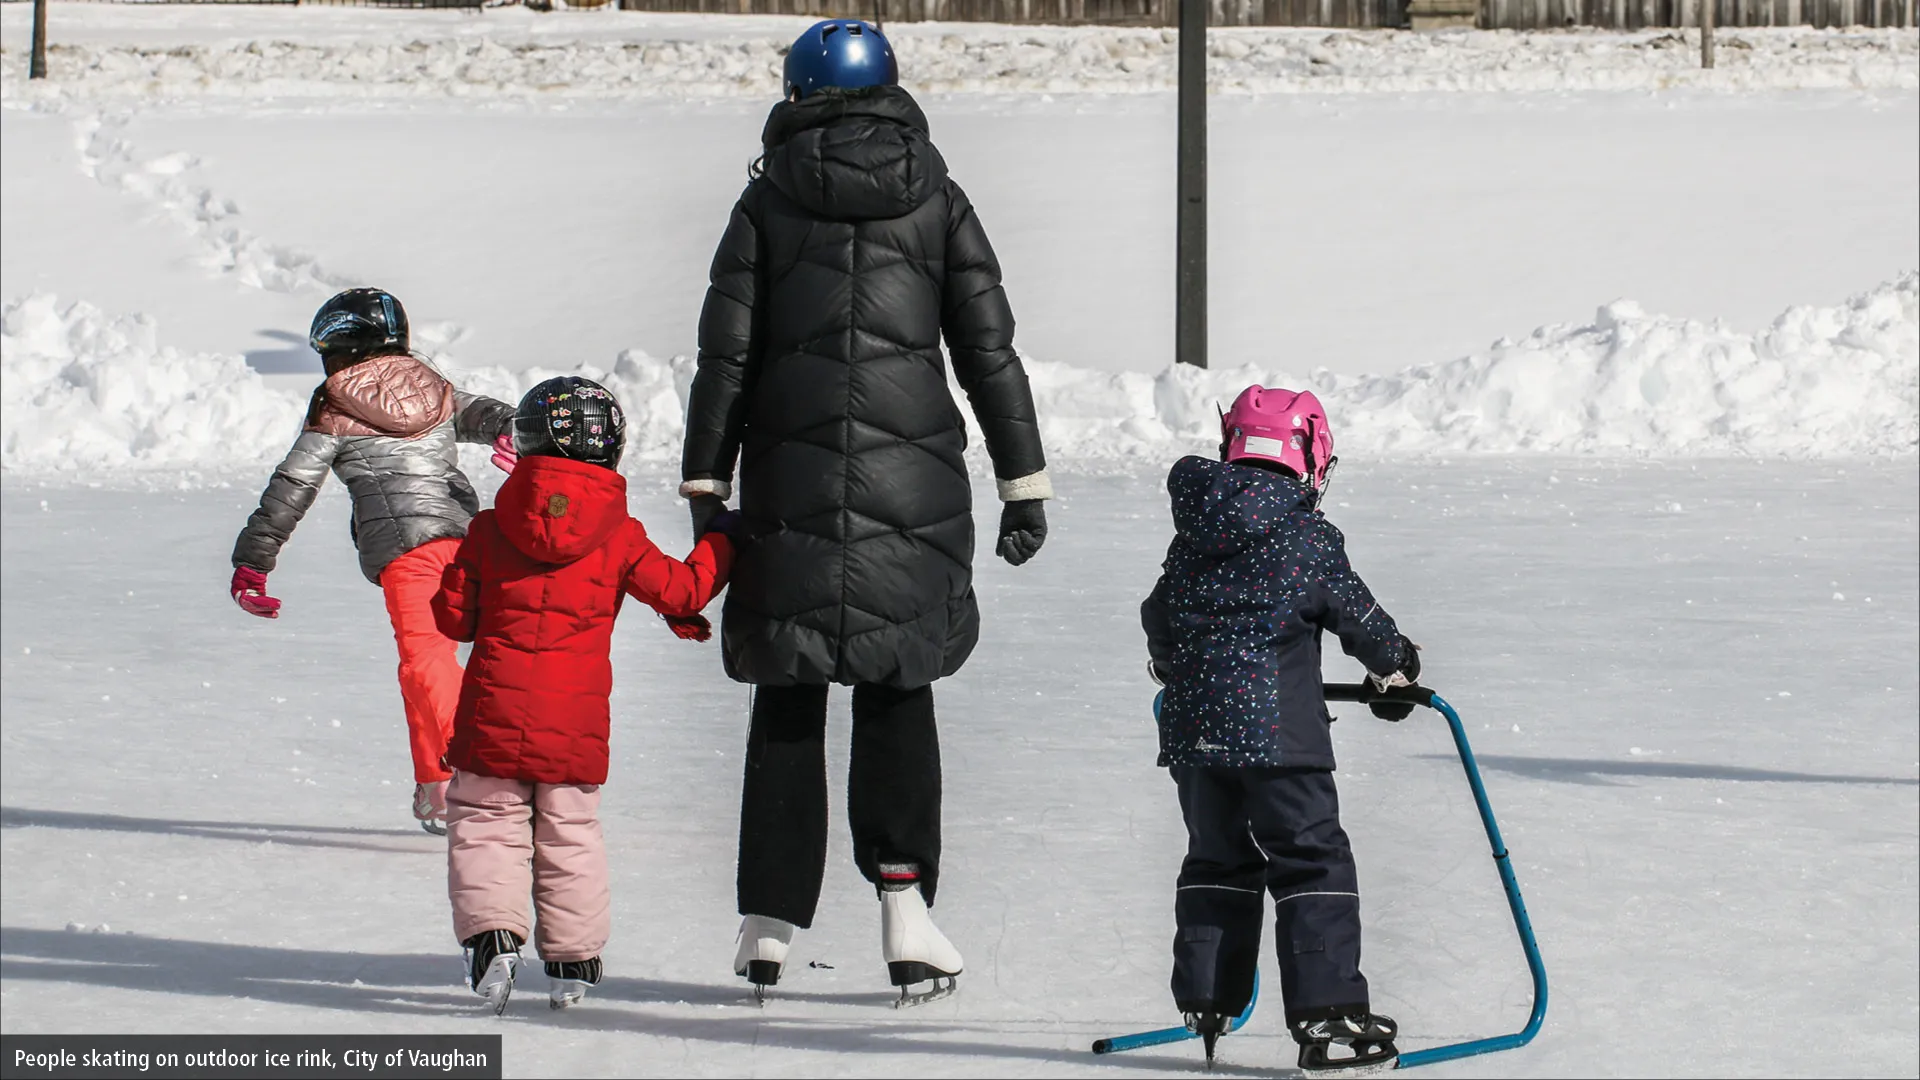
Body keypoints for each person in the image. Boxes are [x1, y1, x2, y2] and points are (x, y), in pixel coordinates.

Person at [679, 19, 1052, 1004]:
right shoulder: (937, 196)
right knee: (897, 686)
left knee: (789, 686)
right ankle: (906, 910)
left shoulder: (766, 200)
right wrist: (1022, 479)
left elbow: (727, 356)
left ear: (797, 92)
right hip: (912, 487)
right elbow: (988, 350)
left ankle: (767, 922)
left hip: (790, 484)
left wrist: (706, 483)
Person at [431, 376, 737, 1012]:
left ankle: (492, 939)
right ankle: (573, 959)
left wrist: (458, 572)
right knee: (569, 832)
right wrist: (724, 540)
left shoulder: (488, 528)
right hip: (575, 719)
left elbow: (454, 620)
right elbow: (683, 591)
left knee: (487, 822)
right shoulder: (620, 533)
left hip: (492, 710)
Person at [1139, 386, 1420, 1072]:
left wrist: (1176, 665)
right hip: (1280, 738)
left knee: (1217, 857)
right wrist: (1397, 670)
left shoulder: (1193, 532)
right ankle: (1328, 1015)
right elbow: (1360, 620)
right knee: (1310, 857)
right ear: (1313, 457)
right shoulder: (1306, 537)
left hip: (1196, 734)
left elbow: (1159, 615)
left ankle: (1208, 999)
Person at [229, 288, 518, 834]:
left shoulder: (335, 405)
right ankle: (437, 784)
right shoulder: (434, 387)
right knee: (426, 667)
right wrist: (518, 434)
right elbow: (496, 415)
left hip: (406, 550)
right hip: (469, 542)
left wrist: (253, 561)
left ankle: (483, 775)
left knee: (426, 662)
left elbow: (293, 484)